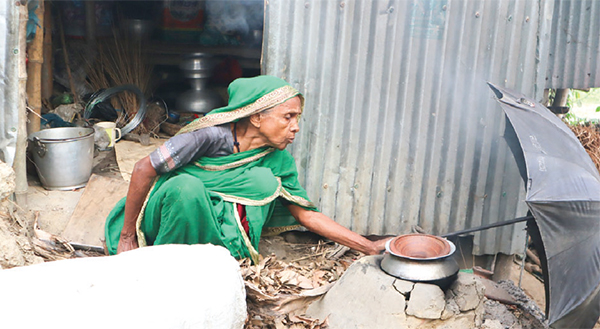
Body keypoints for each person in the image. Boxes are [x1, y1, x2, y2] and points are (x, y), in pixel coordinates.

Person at [105, 75, 386, 263]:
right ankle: (162, 267)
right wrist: (127, 235)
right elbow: (144, 168)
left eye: (297, 118)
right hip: (171, 219)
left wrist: (367, 246)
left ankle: (219, 261)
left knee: (263, 180)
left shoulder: (278, 159)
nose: (296, 126)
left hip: (220, 240)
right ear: (256, 117)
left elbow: (306, 215)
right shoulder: (207, 137)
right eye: (288, 117)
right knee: (186, 188)